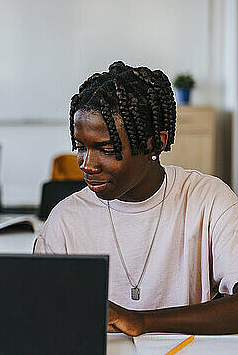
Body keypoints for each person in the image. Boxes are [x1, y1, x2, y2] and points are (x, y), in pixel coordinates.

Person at [34, 61, 238, 336]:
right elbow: (37, 314)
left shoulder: (208, 200)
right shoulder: (66, 219)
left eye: (106, 149)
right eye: (80, 147)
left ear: (156, 142)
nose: (87, 164)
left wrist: (142, 322)